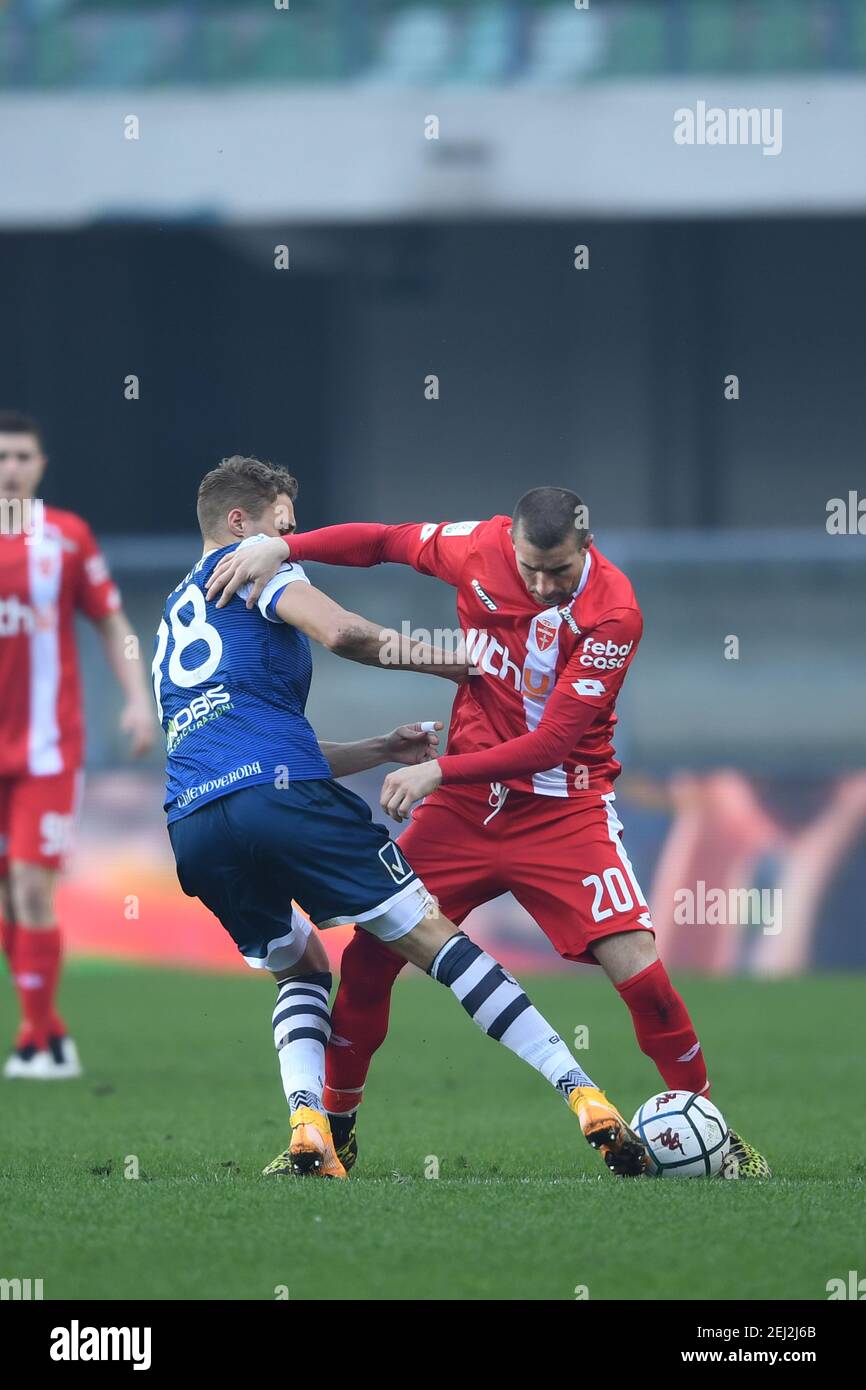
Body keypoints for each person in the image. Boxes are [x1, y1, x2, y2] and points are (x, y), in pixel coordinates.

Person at [206, 488, 770, 1180]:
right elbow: (382, 540)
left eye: (557, 572)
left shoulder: (615, 612)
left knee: (644, 978)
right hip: (464, 813)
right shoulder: (477, 546)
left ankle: (711, 1128)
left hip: (563, 810)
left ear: (586, 549)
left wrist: (440, 770)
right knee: (371, 959)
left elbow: (554, 743)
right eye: (530, 569)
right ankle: (338, 1131)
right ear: (513, 547)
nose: (541, 585)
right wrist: (285, 546)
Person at [157, 456, 649, 1178]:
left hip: (195, 821)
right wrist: (445, 660)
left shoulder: (174, 612)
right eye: (284, 527)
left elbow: (267, 745)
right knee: (434, 941)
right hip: (279, 801)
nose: (291, 538)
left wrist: (381, 748)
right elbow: (344, 634)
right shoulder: (255, 568)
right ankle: (584, 1095)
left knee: (301, 967)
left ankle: (309, 1130)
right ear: (242, 523)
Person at [0, 410, 156, 1079]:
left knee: (32, 890)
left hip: (47, 752)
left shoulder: (66, 538)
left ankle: (38, 1039)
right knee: (9, 896)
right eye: (1, 456)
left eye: (22, 457)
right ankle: (49, 1030)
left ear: (41, 464)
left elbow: (112, 621)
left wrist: (137, 699)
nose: (10, 468)